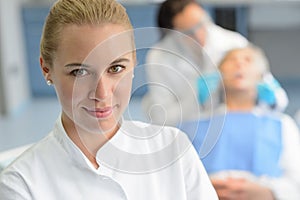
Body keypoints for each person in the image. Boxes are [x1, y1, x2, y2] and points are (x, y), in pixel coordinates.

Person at [0, 0, 218, 199]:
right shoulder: (21, 184)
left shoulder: (173, 148)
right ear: (47, 70)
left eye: (116, 68)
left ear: (134, 63)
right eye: (79, 72)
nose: (102, 93)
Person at [179, 45, 300, 200]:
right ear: (218, 75)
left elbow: (296, 182)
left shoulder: (281, 124)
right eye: (231, 60)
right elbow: (177, 179)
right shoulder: (194, 125)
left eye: (248, 60)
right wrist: (206, 188)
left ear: (261, 77)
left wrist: (267, 193)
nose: (239, 64)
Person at [142, 0, 288, 126]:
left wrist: (272, 98)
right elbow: (161, 118)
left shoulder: (233, 43)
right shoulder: (159, 58)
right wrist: (194, 99)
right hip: (190, 130)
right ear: (172, 34)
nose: (199, 35)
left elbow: (276, 95)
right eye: (188, 32)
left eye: (201, 24)